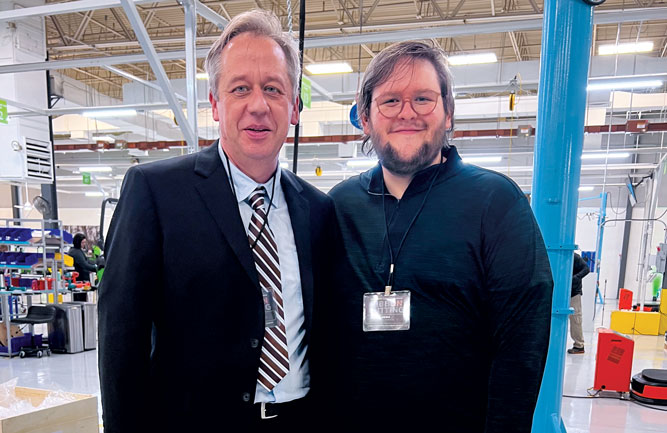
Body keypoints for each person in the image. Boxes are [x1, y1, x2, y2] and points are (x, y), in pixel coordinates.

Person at [98, 10, 338, 432]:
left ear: (295, 106)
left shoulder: (319, 211)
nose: (258, 106)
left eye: (273, 89)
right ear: (215, 103)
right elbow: (122, 341)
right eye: (240, 88)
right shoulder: (156, 192)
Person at [327, 40, 554, 432]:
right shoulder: (338, 206)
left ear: (448, 113)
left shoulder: (495, 202)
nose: (407, 113)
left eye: (423, 99)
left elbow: (522, 345)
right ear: (365, 118)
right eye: (390, 101)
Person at [568, 252, 590, 354]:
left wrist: (575, 278)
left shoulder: (574, 257)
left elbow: (586, 269)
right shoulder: (556, 256)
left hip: (573, 293)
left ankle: (579, 345)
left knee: (575, 319)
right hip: (559, 292)